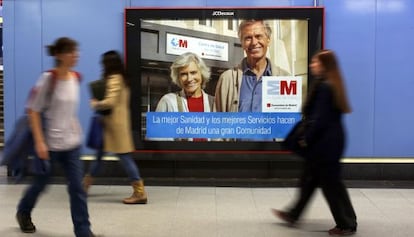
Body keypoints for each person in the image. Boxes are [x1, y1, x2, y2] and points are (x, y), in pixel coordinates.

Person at [16, 37, 98, 237]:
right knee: (40, 184)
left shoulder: (76, 77)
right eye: (71, 51)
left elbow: (68, 110)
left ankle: (83, 232)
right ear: (60, 55)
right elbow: (33, 110)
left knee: (77, 189)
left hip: (71, 144)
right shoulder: (48, 79)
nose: (76, 55)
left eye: (76, 51)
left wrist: (73, 122)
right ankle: (23, 211)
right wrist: (40, 142)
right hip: (50, 145)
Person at [271, 49, 357, 236]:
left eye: (316, 62)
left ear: (325, 66)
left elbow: (319, 119)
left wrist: (305, 139)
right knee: (309, 180)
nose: (312, 65)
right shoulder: (330, 84)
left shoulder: (325, 87)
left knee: (331, 185)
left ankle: (346, 224)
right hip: (330, 140)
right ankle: (293, 214)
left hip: (324, 144)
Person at [83, 50, 148, 205]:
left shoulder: (114, 79)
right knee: (99, 157)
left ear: (108, 64)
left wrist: (95, 104)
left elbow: (110, 102)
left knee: (125, 158)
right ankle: (84, 186)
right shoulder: (122, 78)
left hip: (114, 127)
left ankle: (140, 193)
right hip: (111, 126)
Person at [213, 19, 289, 113]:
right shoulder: (227, 79)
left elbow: (290, 122)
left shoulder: (285, 78)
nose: (254, 42)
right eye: (248, 38)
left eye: (258, 36)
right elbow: (216, 121)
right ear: (242, 44)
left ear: (268, 40)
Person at [154, 52, 214, 141]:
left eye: (193, 72)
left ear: (201, 74)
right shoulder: (169, 101)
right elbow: (157, 140)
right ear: (178, 78)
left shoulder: (214, 102)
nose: (189, 79)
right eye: (184, 74)